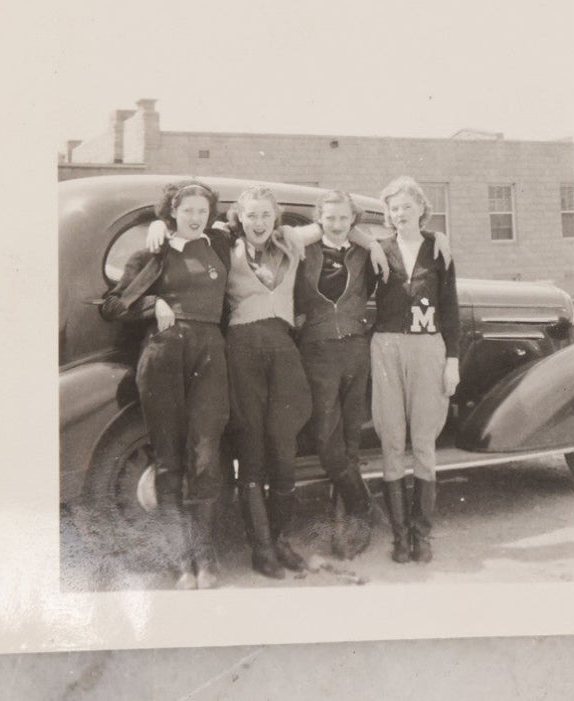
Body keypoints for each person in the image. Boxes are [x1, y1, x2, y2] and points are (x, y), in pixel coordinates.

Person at [147, 187, 387, 580]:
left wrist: (372, 243)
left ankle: (278, 540)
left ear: (276, 218)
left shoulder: (291, 240)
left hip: (284, 352)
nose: (258, 223)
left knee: (284, 451)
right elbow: (184, 235)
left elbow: (337, 228)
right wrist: (158, 223)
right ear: (239, 217)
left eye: (265, 215)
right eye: (252, 215)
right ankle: (261, 550)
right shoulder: (224, 242)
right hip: (242, 352)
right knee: (253, 450)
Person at [100, 180, 231, 590]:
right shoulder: (151, 254)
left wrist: (366, 240)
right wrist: (150, 303)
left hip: (209, 353)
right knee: (169, 458)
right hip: (163, 355)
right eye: (187, 210)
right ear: (172, 212)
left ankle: (205, 556)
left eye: (202, 211)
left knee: (206, 454)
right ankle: (180, 560)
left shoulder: (220, 245)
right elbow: (113, 305)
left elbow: (279, 226)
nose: (195, 217)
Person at [370, 176, 460, 563]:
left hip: (429, 348)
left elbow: (451, 308)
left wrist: (452, 360)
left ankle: (422, 534)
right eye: (394, 208)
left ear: (422, 209)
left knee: (423, 441)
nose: (400, 213)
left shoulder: (438, 250)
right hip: (387, 346)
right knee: (391, 439)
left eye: (407, 206)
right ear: (387, 215)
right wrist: (367, 241)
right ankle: (400, 537)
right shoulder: (379, 249)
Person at [293, 190, 378, 560]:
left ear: (353, 220)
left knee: (351, 436)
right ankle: (361, 504)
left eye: (344, 218)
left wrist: (370, 241)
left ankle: (348, 522)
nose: (338, 224)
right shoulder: (302, 252)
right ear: (319, 219)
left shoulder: (365, 254)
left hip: (356, 350)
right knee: (327, 437)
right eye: (330, 218)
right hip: (317, 350)